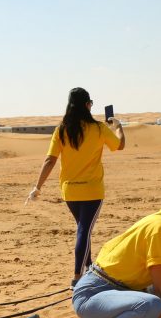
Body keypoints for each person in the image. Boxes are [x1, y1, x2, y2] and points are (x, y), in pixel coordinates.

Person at [26, 88, 125, 285]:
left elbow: (49, 160)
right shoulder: (99, 128)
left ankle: (88, 270)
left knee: (83, 229)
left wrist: (37, 187)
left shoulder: (62, 129)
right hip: (92, 190)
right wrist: (119, 127)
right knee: (84, 230)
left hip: (70, 191)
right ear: (87, 105)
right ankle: (77, 277)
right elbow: (119, 145)